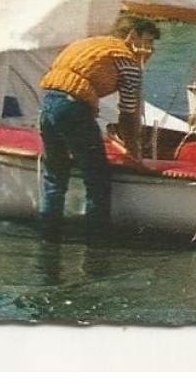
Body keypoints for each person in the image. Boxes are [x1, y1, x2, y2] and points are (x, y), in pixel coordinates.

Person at [37, 13, 161, 239]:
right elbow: (128, 113)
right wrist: (134, 153)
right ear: (133, 36)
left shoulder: (90, 44)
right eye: (149, 41)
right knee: (98, 179)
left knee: (55, 175)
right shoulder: (128, 60)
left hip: (48, 102)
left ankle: (49, 236)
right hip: (73, 108)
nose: (151, 49)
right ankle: (96, 242)